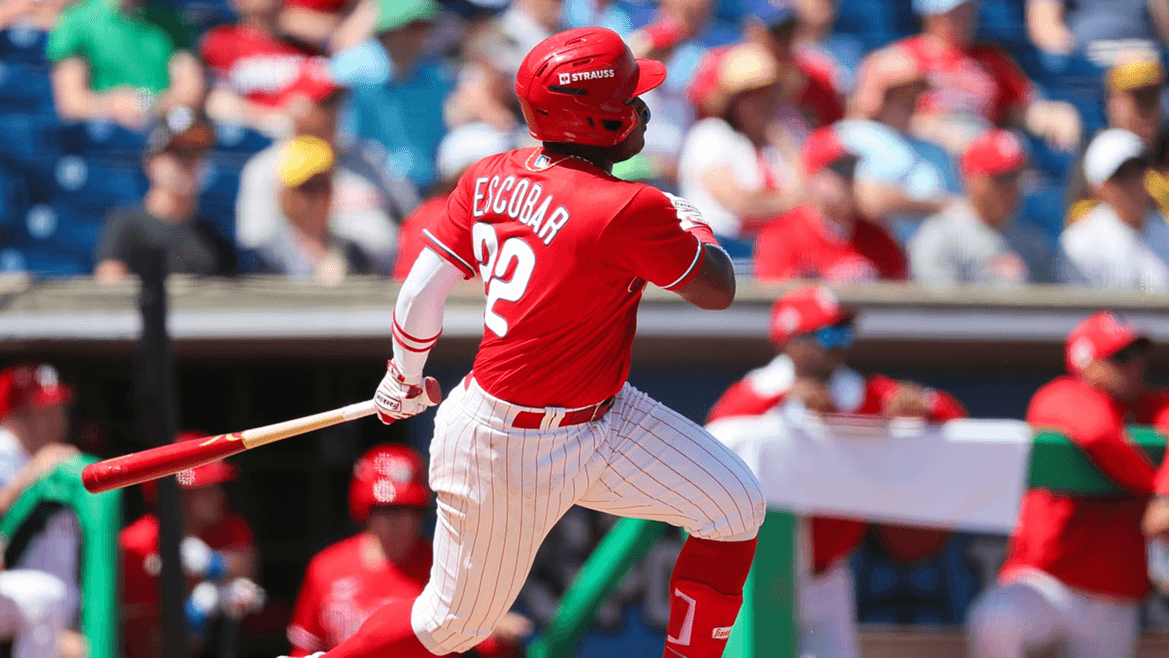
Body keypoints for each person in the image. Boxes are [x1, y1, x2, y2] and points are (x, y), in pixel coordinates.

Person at [280, 26, 766, 658]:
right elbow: (718, 288)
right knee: (451, 626)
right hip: (509, 447)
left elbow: (421, 289)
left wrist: (403, 375)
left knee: (734, 505)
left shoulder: (489, 175)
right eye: (629, 100)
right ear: (597, 118)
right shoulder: (629, 208)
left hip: (602, 415)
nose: (643, 109)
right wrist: (691, 218)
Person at [707, 286, 966, 658]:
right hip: (760, 569)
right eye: (827, 335)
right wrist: (784, 398)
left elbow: (952, 415)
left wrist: (923, 404)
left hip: (828, 573)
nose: (839, 346)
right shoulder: (757, 393)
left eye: (844, 334)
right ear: (791, 342)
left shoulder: (859, 393)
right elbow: (713, 436)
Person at [968, 310, 1169, 658]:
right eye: (1121, 357)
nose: (1135, 366)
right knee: (993, 621)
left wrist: (1166, 494)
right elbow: (1097, 433)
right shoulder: (1061, 395)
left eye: (1138, 355)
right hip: (1047, 583)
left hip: (1114, 597)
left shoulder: (1154, 406)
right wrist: (1153, 489)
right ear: (1086, 363)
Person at [287, 444, 530, 657]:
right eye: (386, 510)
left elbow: (486, 645)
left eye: (408, 509)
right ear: (365, 510)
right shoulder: (326, 568)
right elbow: (304, 650)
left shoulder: (446, 566)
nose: (397, 522)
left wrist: (496, 631)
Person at [236, 60, 415, 273]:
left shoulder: (369, 157)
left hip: (386, 278)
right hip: (303, 283)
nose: (333, 110)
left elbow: (412, 214)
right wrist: (320, 265)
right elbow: (257, 242)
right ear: (295, 107)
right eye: (323, 102)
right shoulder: (265, 168)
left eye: (336, 100)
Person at [121, 433, 263, 658]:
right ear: (173, 495)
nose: (217, 496)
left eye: (217, 486)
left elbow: (249, 567)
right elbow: (145, 646)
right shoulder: (137, 543)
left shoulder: (229, 526)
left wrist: (213, 564)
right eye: (204, 488)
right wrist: (194, 614)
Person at [894, 0, 1081, 156]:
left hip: (986, 158)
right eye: (954, 11)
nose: (964, 16)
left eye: (967, 8)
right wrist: (935, 129)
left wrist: (1054, 115)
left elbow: (1022, 110)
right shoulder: (901, 59)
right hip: (929, 156)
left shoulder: (991, 60)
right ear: (930, 15)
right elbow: (885, 119)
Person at [94, 108, 237, 283]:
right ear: (152, 163)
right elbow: (111, 291)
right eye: (178, 153)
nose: (188, 162)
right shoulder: (126, 226)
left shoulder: (214, 238)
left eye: (196, 152)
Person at [835, 44, 961, 242]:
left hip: (939, 252)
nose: (911, 101)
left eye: (915, 92)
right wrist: (941, 205)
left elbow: (964, 207)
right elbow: (869, 199)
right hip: (879, 252)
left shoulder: (933, 147)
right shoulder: (853, 135)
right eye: (901, 93)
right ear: (877, 96)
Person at [679, 42, 803, 240]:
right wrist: (791, 203)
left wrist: (785, 145)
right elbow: (739, 203)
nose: (766, 102)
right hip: (721, 245)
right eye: (755, 95)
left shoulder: (778, 140)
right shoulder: (711, 134)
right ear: (736, 101)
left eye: (770, 93)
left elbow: (808, 190)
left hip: (773, 245)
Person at [0, 365, 84, 658]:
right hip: (23, 614)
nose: (58, 421)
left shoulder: (48, 459)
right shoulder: (5, 451)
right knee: (43, 596)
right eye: (44, 412)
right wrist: (31, 474)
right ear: (15, 416)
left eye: (59, 411)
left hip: (48, 620)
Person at [754, 127, 906, 281]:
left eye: (851, 172)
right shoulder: (782, 233)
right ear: (813, 178)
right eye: (839, 173)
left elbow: (900, 287)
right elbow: (773, 291)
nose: (848, 182)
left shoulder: (875, 235)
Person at [910, 129, 1055, 285]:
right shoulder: (939, 235)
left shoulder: (1031, 238)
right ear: (974, 179)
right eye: (1003, 177)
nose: (1013, 187)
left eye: (1017, 176)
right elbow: (936, 299)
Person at [344, 0, 454, 193]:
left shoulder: (435, 76)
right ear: (389, 30)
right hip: (367, 187)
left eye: (425, 26)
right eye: (412, 26)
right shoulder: (351, 72)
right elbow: (345, 143)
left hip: (426, 188)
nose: (420, 35)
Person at [46, 0, 205, 130]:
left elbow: (190, 92)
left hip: (163, 134)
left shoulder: (173, 21)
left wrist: (145, 104)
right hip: (103, 139)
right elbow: (71, 103)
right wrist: (111, 106)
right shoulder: (77, 20)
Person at [394, 123, 515, 279]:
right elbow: (412, 282)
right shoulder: (435, 217)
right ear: (464, 172)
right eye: (496, 167)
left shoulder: (504, 213)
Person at [254, 136, 378, 283]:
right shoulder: (262, 257)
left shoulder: (355, 253)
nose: (317, 197)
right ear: (284, 196)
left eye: (322, 186)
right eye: (306, 188)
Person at [1060, 128, 1169, 290]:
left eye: (1137, 169)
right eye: (1121, 175)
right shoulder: (1078, 245)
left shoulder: (1164, 233)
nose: (1132, 182)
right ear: (1097, 188)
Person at [1066, 50, 1169, 221]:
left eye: (1152, 96)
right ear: (1112, 103)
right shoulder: (1096, 159)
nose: (1146, 109)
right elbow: (1079, 227)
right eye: (1137, 97)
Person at [199, 0, 323, 133]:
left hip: (299, 137)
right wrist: (271, 120)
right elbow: (216, 102)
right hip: (243, 132)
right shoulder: (217, 43)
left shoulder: (307, 48)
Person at [1025, 0, 1169, 65]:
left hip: (1144, 69)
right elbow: (1044, 29)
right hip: (1085, 68)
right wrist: (1086, 58)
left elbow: (1166, 33)